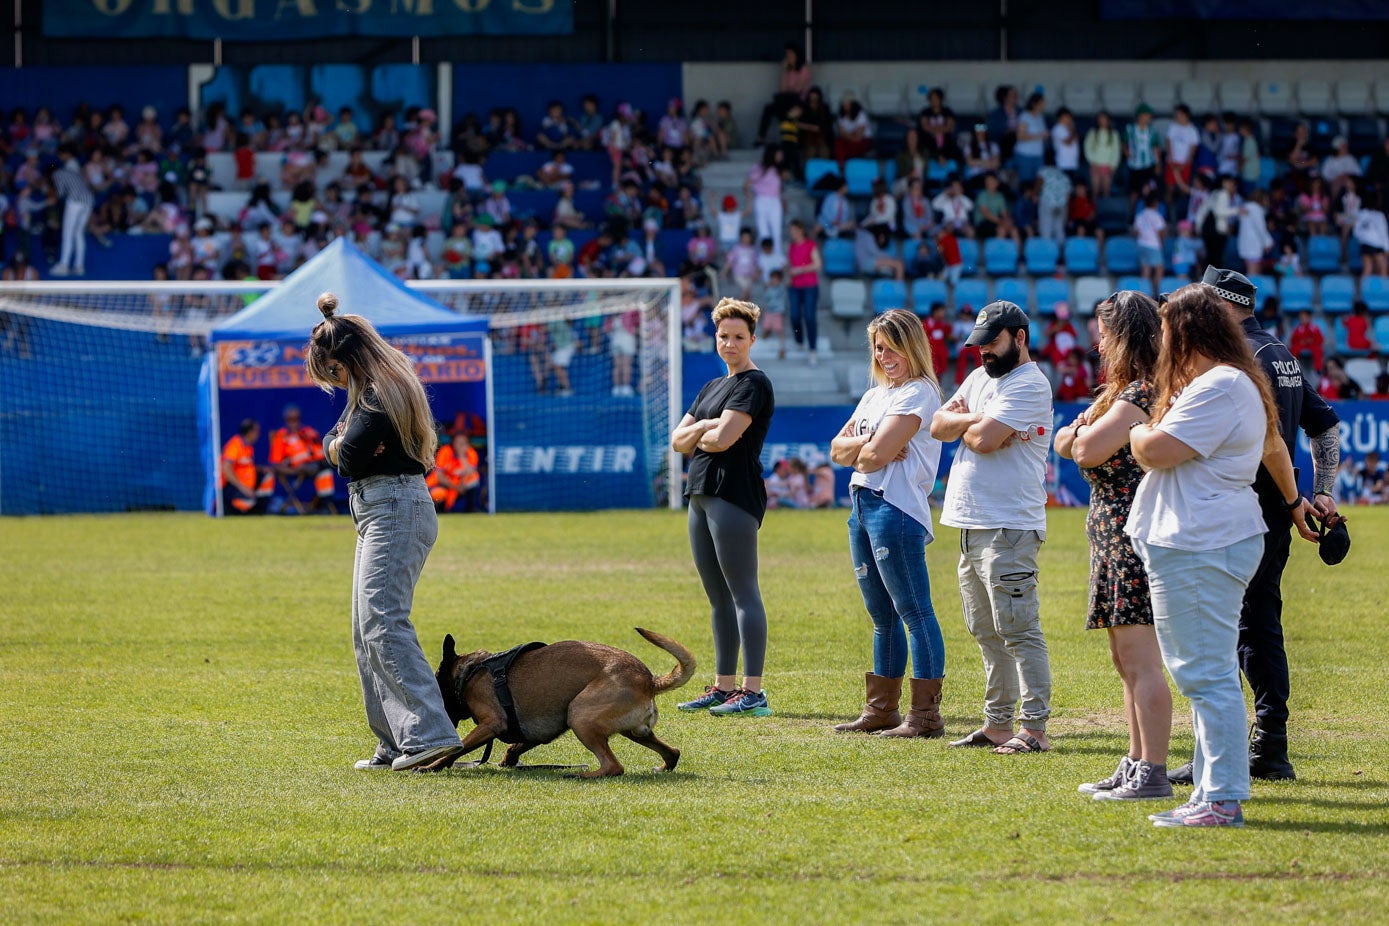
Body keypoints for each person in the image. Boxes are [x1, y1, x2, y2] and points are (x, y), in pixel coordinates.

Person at [1126, 283, 1315, 828]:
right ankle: (1212, 789)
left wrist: (1138, 429)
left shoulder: (1222, 387)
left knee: (1205, 674)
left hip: (1201, 540)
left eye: (1167, 328)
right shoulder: (1225, 383)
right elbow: (1270, 447)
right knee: (1203, 672)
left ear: (1187, 331)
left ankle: (1223, 796)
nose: (1162, 339)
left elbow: (1158, 451)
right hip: (1198, 538)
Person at [1165, 268, 1341, 786]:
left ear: (1219, 304)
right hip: (1273, 510)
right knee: (1255, 623)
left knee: (1239, 629)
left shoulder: (1240, 359)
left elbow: (1273, 439)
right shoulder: (1279, 352)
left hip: (1244, 510)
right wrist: (1323, 488)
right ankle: (1264, 744)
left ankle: (1261, 747)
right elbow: (1324, 423)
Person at [307, 291, 465, 772]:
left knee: (383, 620)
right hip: (381, 507)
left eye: (332, 371)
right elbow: (342, 448)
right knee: (365, 629)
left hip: (394, 505)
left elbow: (346, 455)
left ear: (345, 360)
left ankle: (431, 737)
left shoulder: (378, 392)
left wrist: (338, 445)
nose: (334, 380)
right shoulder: (378, 390)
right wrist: (341, 445)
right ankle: (395, 741)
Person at [1055, 291, 1173, 801]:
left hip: (1131, 532)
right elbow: (1063, 442)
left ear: (1122, 335)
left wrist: (1082, 433)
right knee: (1123, 658)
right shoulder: (1122, 393)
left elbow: (1084, 446)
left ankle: (1154, 770)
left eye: (1104, 332)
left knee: (1139, 656)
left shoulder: (1142, 392)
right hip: (1110, 531)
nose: (1097, 342)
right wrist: (1080, 434)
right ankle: (1135, 760)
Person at [930, 301, 1055, 755]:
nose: (982, 351)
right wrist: (974, 420)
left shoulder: (1029, 383)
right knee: (985, 629)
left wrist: (973, 424)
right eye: (978, 343)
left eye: (992, 342)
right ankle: (998, 724)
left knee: (1018, 629)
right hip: (972, 524)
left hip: (1008, 526)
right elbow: (939, 425)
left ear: (1019, 337)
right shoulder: (982, 378)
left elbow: (982, 441)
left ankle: (1035, 728)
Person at [829, 310, 947, 737]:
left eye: (892, 345)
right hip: (862, 505)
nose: (885, 354)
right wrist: (868, 444)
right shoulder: (875, 395)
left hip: (895, 507)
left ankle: (925, 717)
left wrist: (866, 450)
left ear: (912, 345)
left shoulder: (919, 392)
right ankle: (881, 710)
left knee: (914, 611)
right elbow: (839, 451)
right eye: (879, 347)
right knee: (881, 615)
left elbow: (875, 458)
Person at [671, 298, 776, 718]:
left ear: (752, 338)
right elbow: (678, 442)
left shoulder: (755, 384)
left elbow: (723, 440)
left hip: (733, 493)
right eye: (723, 336)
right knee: (718, 598)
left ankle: (753, 692)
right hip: (700, 494)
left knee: (743, 592)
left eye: (737, 337)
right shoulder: (711, 387)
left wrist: (700, 431)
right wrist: (703, 428)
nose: (729, 344)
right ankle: (723, 686)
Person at [269, 404, 336, 513]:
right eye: (290, 419)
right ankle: (323, 506)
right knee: (327, 467)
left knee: (325, 472)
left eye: (296, 419)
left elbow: (320, 448)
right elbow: (275, 464)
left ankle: (323, 505)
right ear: (286, 420)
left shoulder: (308, 431)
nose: (293, 423)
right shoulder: (281, 437)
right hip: (300, 468)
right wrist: (292, 470)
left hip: (319, 463)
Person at [49, 145, 94, 277]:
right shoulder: (75, 169)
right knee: (78, 233)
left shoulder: (57, 173)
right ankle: (79, 266)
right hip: (88, 200)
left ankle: (64, 265)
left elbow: (61, 192)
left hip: (75, 201)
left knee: (68, 233)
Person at [786, 220, 822, 365]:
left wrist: (801, 269)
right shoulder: (792, 246)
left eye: (794, 229)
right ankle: (799, 340)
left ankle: (812, 349)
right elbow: (791, 264)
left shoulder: (810, 244)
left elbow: (817, 264)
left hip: (810, 285)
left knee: (809, 316)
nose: (792, 233)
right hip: (794, 285)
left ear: (801, 230)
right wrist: (789, 276)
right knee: (794, 315)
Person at [221, 418, 274, 515]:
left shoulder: (248, 447)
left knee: (268, 476)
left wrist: (261, 469)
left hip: (247, 485)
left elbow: (246, 466)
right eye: (256, 431)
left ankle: (261, 509)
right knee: (248, 501)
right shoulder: (235, 445)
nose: (258, 434)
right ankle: (240, 511)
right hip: (233, 487)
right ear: (249, 432)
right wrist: (242, 488)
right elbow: (226, 468)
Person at [427, 428, 482, 513]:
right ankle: (439, 511)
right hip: (444, 485)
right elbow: (439, 477)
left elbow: (471, 473)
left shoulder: (471, 453)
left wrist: (462, 456)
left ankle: (470, 509)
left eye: (463, 443)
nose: (460, 445)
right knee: (439, 493)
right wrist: (456, 487)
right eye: (458, 442)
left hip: (460, 485)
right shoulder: (445, 451)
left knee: (474, 479)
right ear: (453, 442)